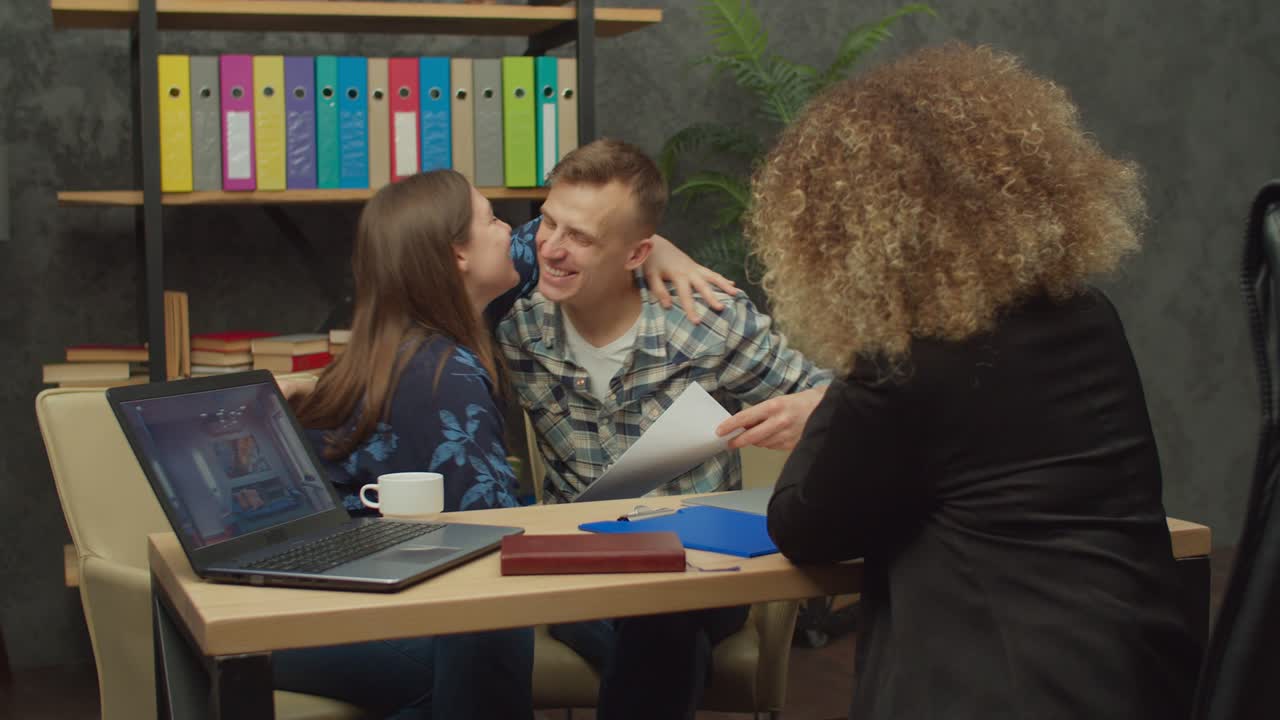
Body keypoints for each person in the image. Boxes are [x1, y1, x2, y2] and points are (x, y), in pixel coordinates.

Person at [751, 43, 1201, 719]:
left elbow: (803, 526)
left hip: (995, 687)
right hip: (1135, 667)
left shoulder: (908, 365)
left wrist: (838, 393)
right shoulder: (1087, 317)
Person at [273, 169, 729, 719]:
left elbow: (583, 235)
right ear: (458, 256)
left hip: (341, 590)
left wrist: (654, 251)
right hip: (329, 611)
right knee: (500, 639)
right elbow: (493, 550)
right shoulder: (441, 374)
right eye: (492, 219)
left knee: (661, 633)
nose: (517, 233)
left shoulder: (427, 322)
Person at [496, 138, 832, 719]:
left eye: (580, 237)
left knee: (667, 620)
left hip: (699, 571)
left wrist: (808, 411)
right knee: (664, 639)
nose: (551, 247)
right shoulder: (517, 329)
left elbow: (839, 400)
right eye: (548, 223)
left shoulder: (705, 323)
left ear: (636, 254)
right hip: (582, 573)